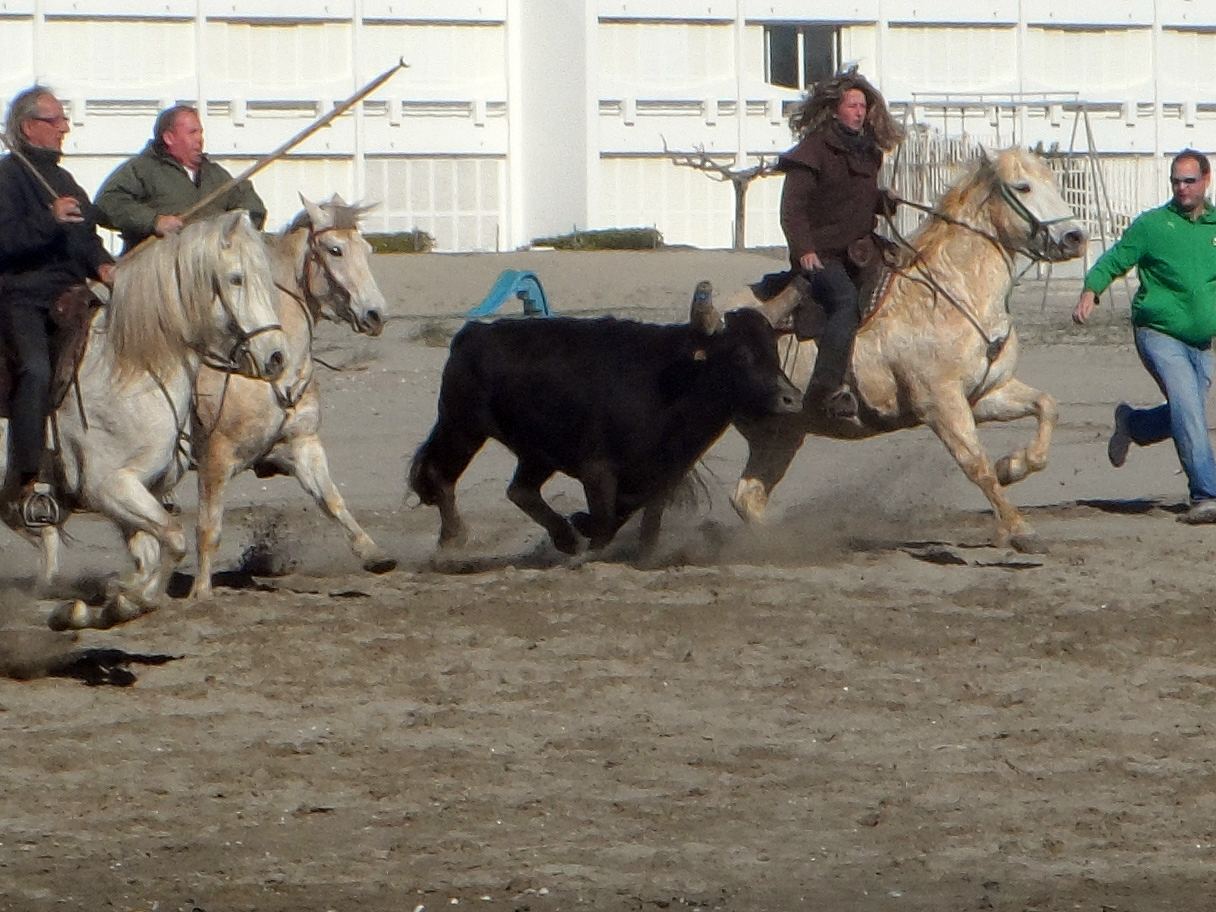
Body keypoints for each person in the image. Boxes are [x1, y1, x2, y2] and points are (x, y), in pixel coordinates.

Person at [1073, 149, 1216, 524]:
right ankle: (1206, 494)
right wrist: (1091, 290)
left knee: (1188, 413)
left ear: (1206, 179)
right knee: (1189, 407)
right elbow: (1116, 258)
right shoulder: (1152, 225)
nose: (1182, 188)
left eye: (1189, 180)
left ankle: (1132, 424)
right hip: (1158, 332)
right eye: (1176, 181)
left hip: (1201, 342)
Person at [0, 86, 115, 526]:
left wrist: (105, 267)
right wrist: (48, 220)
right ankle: (24, 483)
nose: (65, 127)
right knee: (36, 370)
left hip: (74, 295)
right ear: (30, 126)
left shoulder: (65, 182)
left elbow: (86, 240)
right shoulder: (8, 178)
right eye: (55, 120)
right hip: (22, 296)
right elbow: (4, 241)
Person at [777, 69, 903, 419]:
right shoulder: (811, 152)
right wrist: (805, 251)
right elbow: (792, 211)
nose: (859, 112)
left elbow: (853, 200)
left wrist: (884, 200)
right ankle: (826, 389)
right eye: (852, 105)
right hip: (822, 256)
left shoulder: (867, 153)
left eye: (863, 106)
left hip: (861, 250)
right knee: (845, 302)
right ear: (834, 109)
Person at [94, 104, 266, 253]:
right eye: (192, 132)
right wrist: (154, 222)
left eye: (200, 132)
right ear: (169, 138)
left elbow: (253, 210)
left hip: (210, 273)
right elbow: (107, 204)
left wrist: (229, 232)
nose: (200, 139)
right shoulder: (142, 169)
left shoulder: (216, 175)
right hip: (159, 274)